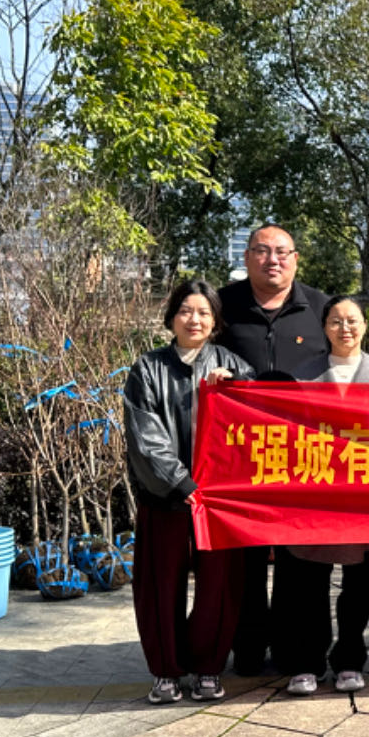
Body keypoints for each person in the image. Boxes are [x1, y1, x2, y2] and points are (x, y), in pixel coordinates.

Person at [123, 279, 253, 704]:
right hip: (166, 497)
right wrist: (183, 485)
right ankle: (165, 671)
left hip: (218, 503)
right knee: (159, 587)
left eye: (203, 312)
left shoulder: (232, 364)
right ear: (171, 318)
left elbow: (259, 420)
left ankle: (209, 667)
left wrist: (235, 385)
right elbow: (145, 438)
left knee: (219, 587)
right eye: (185, 311)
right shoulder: (147, 368)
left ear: (215, 322)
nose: (194, 319)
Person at [216, 224, 332, 677]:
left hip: (304, 458)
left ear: (296, 259)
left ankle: (292, 649)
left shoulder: (319, 308)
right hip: (238, 458)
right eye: (262, 251)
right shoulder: (223, 307)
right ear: (247, 257)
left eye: (282, 252)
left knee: (299, 562)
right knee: (244, 561)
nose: (273, 260)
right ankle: (246, 647)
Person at [284, 296, 369, 695]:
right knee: (310, 584)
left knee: (358, 581)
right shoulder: (301, 375)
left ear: (365, 325)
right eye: (336, 321)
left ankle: (350, 659)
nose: (345, 328)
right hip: (314, 494)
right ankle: (308, 661)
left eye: (352, 320)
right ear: (324, 327)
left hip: (363, 496)